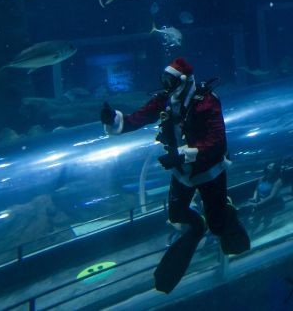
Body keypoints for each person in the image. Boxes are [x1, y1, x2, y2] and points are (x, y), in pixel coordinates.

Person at [100, 57, 250, 293]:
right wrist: (115, 120)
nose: (166, 85)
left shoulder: (207, 102)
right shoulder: (165, 100)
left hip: (210, 171)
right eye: (164, 80)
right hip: (182, 172)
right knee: (177, 214)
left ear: (184, 80)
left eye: (169, 80)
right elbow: (138, 118)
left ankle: (224, 214)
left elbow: (217, 142)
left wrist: (182, 155)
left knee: (218, 225)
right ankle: (198, 226)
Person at [247, 161, 285, 231]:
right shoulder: (262, 178)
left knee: (267, 217)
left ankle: (265, 230)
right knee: (257, 217)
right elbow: (256, 190)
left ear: (275, 170)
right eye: (268, 166)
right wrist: (254, 197)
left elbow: (272, 196)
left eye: (270, 167)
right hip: (262, 201)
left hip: (273, 202)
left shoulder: (278, 181)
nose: (268, 167)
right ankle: (253, 232)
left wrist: (257, 204)